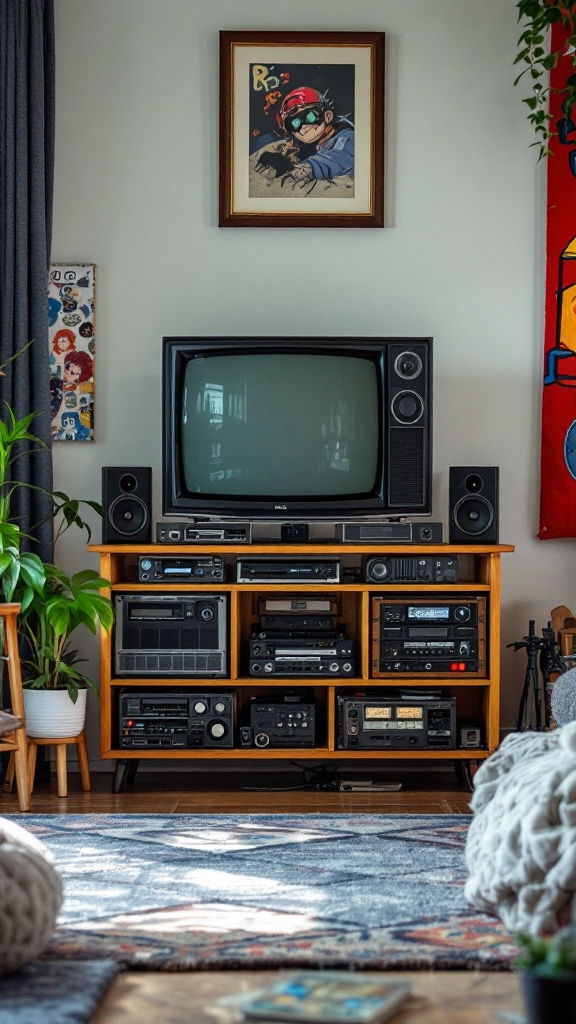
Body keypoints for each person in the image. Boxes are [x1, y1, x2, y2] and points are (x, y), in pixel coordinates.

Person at [276, 86, 354, 183]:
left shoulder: (347, 137)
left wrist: (308, 168)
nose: (303, 127)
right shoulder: (313, 147)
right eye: (294, 124)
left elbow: (339, 158)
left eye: (309, 117)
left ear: (328, 116)